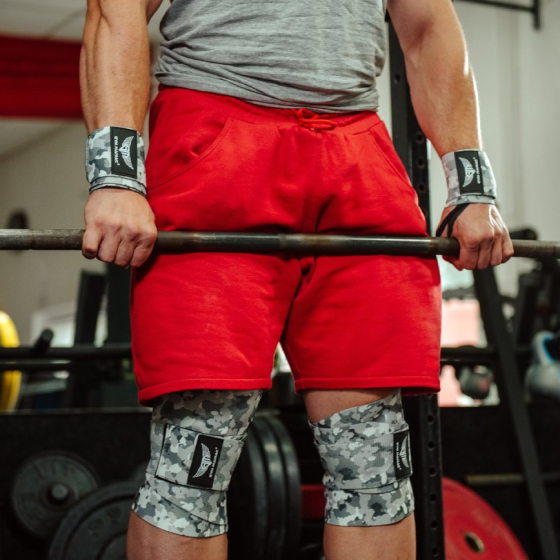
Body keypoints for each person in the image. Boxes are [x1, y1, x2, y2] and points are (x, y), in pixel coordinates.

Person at [79, 0, 514, 558]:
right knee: (192, 466)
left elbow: (429, 28)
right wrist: (115, 175)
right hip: (215, 145)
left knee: (376, 470)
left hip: (357, 155)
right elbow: (114, 11)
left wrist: (472, 186)